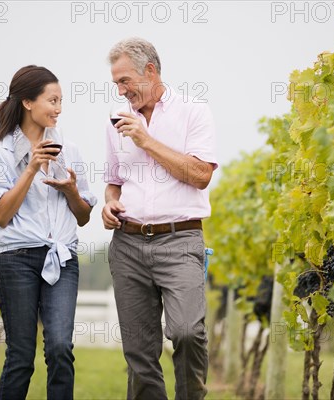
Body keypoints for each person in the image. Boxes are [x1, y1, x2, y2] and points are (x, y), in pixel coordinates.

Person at [102, 38, 218, 400]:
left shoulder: (194, 112)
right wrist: (109, 205)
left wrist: (146, 140)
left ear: (150, 71)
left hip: (180, 241)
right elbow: (114, 183)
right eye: (116, 84)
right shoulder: (116, 123)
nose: (120, 91)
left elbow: (200, 174)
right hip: (128, 243)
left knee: (186, 331)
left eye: (124, 81)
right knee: (139, 351)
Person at [0, 65, 96, 400]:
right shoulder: (0, 153)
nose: (59, 108)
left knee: (60, 347)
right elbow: (1, 216)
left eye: (61, 101)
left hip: (61, 259)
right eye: (53, 100)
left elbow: (84, 217)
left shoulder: (69, 150)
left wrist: (72, 191)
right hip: (16, 261)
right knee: (21, 357)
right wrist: (30, 167)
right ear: (28, 102)